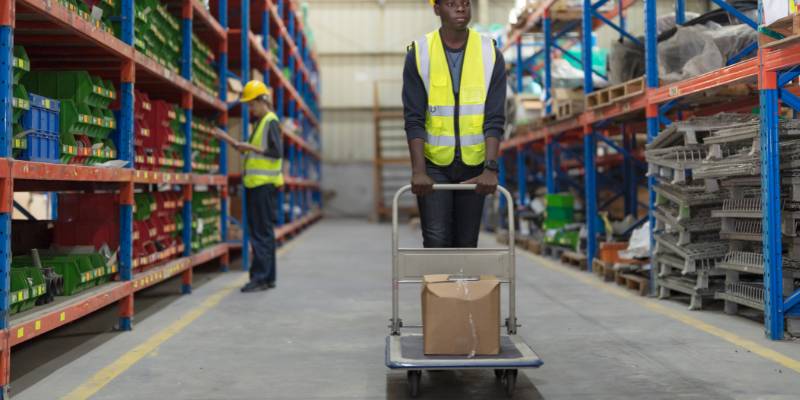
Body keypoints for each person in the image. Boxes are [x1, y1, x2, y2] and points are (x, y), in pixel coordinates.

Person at [402, 0, 506, 248]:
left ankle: (460, 289)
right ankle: (438, 288)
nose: (460, 9)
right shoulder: (420, 53)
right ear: (437, 9)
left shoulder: (490, 53)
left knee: (467, 243)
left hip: (475, 167)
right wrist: (418, 171)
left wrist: (490, 168)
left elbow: (495, 117)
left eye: (465, 4)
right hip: (435, 166)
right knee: (437, 241)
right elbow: (414, 118)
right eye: (451, 4)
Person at [213, 80, 284, 292]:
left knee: (260, 234)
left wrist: (250, 146)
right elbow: (252, 150)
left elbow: (276, 152)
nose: (250, 109)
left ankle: (260, 278)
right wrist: (228, 139)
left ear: (263, 101)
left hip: (262, 186)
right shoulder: (263, 122)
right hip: (260, 186)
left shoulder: (270, 121)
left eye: (252, 105)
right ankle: (268, 277)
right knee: (264, 233)